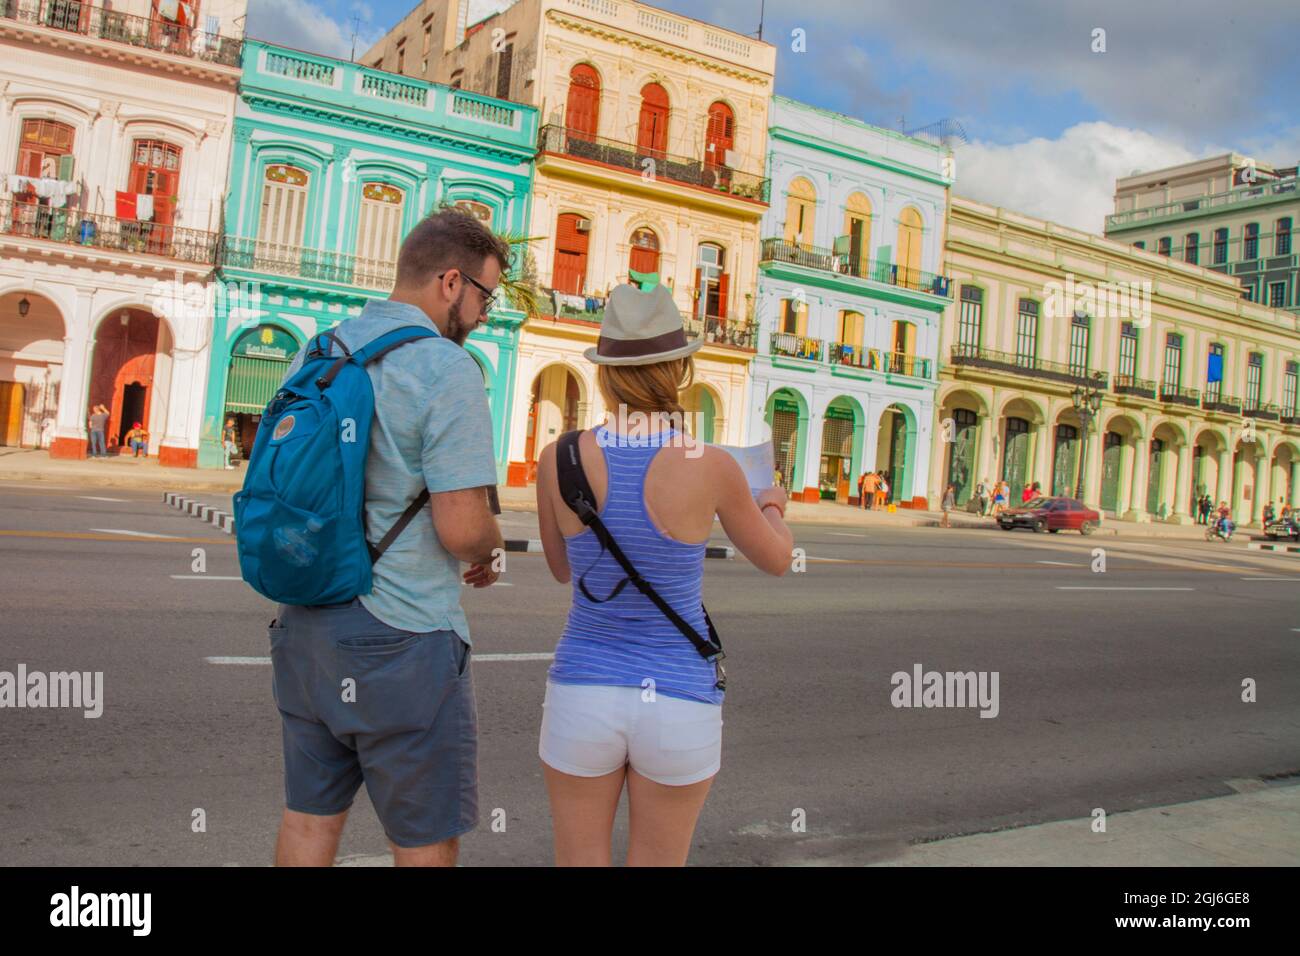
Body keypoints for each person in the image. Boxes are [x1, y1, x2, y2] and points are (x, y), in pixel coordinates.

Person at [267, 208, 507, 868]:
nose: (488, 312)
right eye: (487, 294)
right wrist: (490, 548)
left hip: (306, 625)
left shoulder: (319, 349)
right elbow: (462, 528)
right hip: (400, 636)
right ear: (451, 283)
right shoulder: (446, 368)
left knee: (309, 824)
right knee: (424, 842)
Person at [534, 283, 793, 867]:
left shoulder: (559, 457)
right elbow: (777, 559)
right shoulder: (714, 465)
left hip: (584, 690)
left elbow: (559, 569)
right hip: (678, 700)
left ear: (605, 373)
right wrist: (772, 504)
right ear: (677, 367)